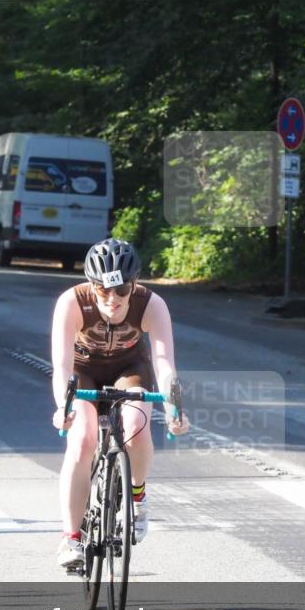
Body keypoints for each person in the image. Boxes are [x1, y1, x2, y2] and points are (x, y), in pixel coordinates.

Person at [50, 238, 188, 569]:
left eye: (122, 290)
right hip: (83, 372)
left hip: (131, 369)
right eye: (102, 290)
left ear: (135, 284)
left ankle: (137, 498)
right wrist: (63, 408)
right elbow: (63, 366)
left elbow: (164, 363)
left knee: (137, 432)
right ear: (90, 285)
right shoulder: (72, 302)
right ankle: (71, 538)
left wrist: (174, 409)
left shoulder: (152, 305)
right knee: (82, 441)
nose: (112, 300)